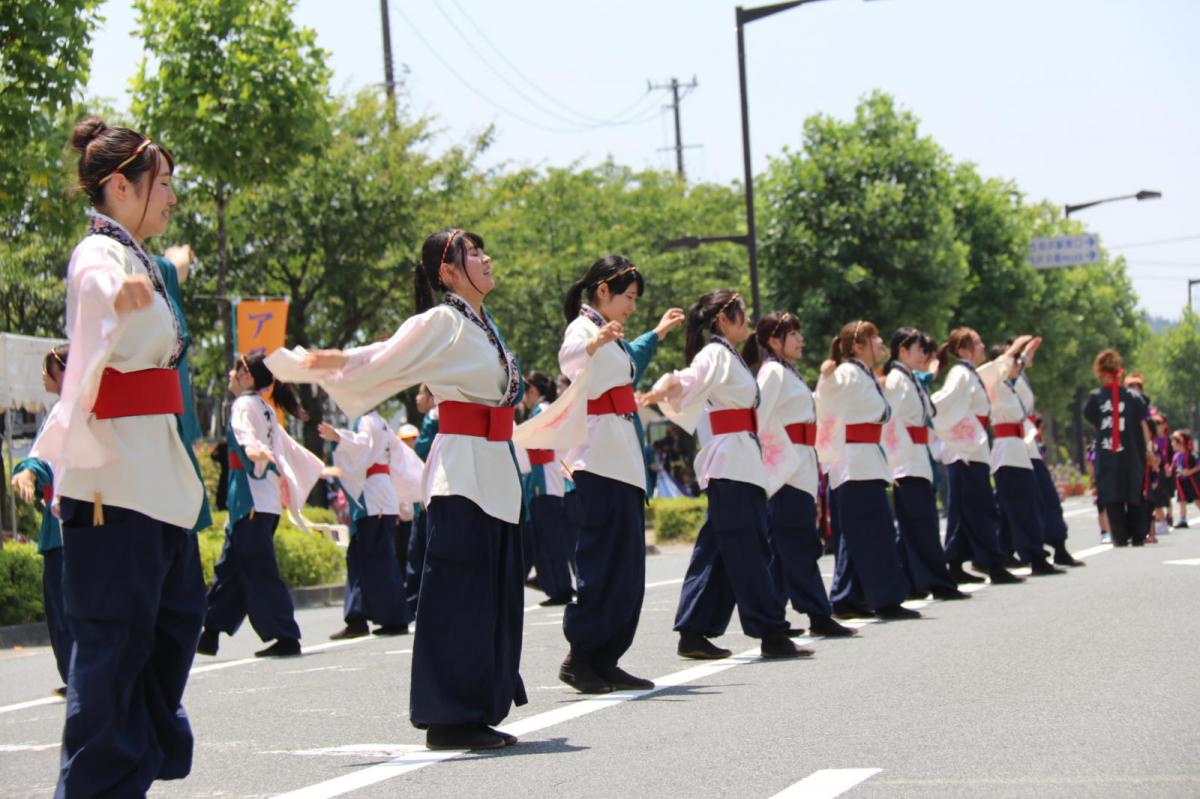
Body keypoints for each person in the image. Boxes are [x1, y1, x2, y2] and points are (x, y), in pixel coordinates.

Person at [268, 228, 527, 751]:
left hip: (494, 467)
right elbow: (384, 355)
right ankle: (450, 715)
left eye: (483, 250)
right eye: (473, 254)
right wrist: (323, 362)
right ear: (447, 272)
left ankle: (477, 705)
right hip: (463, 473)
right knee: (459, 594)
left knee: (490, 593)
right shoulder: (443, 320)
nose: (486, 258)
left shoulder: (482, 324)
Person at [31, 116, 207, 796]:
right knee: (112, 651)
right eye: (161, 184)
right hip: (112, 484)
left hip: (157, 481)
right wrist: (122, 292)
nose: (172, 196)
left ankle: (124, 776)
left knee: (172, 626)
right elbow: (96, 289)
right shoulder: (98, 253)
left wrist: (156, 278)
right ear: (120, 187)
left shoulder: (142, 261)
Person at [519, 255, 685, 693]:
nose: (632, 306)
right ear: (603, 290)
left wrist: (658, 333)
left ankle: (607, 658)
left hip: (621, 459)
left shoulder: (613, 335)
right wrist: (594, 344)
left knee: (627, 569)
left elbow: (633, 359)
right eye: (628, 297)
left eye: (636, 299)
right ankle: (581, 657)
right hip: (596, 462)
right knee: (603, 564)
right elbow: (569, 359)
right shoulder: (583, 329)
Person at [642, 289, 808, 660]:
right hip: (731, 464)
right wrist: (666, 386)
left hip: (739, 461)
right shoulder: (715, 353)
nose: (747, 318)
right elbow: (689, 379)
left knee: (718, 551)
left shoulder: (728, 354)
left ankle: (694, 630)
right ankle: (771, 632)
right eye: (741, 312)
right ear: (722, 319)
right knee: (748, 551)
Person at [197, 354, 324, 658]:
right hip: (258, 502)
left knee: (258, 571)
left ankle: (285, 635)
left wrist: (254, 450)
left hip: (252, 500)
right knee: (232, 568)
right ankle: (210, 632)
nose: (230, 374)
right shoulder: (265, 408)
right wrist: (316, 467)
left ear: (248, 377)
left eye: (236, 369)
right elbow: (287, 448)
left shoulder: (244, 404)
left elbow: (246, 435)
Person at [742, 311, 858, 637]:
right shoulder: (773, 372)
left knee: (784, 547)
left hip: (800, 462)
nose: (800, 339)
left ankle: (775, 615)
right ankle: (818, 614)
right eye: (792, 334)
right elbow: (758, 420)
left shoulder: (786, 371)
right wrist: (775, 462)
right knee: (799, 542)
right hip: (787, 467)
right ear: (774, 340)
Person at [814, 321, 921, 621]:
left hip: (864, 460)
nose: (880, 342)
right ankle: (885, 599)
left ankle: (847, 596)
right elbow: (826, 401)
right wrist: (826, 378)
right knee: (874, 533)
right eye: (873, 339)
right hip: (855, 463)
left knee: (859, 533)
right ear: (857, 346)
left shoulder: (863, 373)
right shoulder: (849, 373)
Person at [320, 405, 422, 639]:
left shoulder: (367, 420)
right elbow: (401, 458)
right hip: (381, 494)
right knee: (364, 558)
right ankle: (360, 615)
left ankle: (386, 617)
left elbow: (361, 445)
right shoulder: (381, 422)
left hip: (373, 496)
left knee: (374, 560)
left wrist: (339, 437)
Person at [881, 328, 969, 601]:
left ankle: (911, 582)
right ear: (903, 350)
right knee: (922, 525)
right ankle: (937, 581)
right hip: (906, 461)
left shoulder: (909, 378)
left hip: (918, 457)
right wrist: (892, 462)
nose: (922, 354)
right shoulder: (896, 380)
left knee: (916, 525)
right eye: (918, 349)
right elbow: (888, 423)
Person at [931, 328, 1023, 585]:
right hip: (966, 451)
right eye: (977, 343)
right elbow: (944, 401)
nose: (982, 346)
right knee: (980, 508)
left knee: (964, 510)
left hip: (970, 448)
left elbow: (996, 370)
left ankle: (956, 561)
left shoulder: (969, 373)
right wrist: (927, 407)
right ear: (963, 350)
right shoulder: (960, 374)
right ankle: (992, 563)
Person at [10, 345, 73, 696]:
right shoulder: (85, 406)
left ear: (64, 371)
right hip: (92, 518)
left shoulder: (65, 410)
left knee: (63, 605)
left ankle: (80, 674)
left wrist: (28, 473)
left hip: (67, 523)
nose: (43, 376)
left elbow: (41, 459)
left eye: (48, 369)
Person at [979, 337, 1065, 575]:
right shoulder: (994, 383)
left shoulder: (1009, 386)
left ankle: (1020, 551)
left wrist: (1023, 356)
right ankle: (1032, 555)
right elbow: (999, 368)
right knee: (1022, 508)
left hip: (1019, 448)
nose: (1018, 364)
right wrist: (1016, 348)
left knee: (1028, 504)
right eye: (1014, 361)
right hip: (1007, 450)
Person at [1011, 338, 1084, 566]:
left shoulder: (1019, 377)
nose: (1028, 358)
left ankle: (1057, 545)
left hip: (1027, 443)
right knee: (1023, 502)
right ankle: (1012, 551)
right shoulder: (1005, 379)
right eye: (1023, 355)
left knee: (1045, 497)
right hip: (1015, 446)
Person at [1082, 348, 1150, 547]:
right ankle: (1138, 534)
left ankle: (1119, 536)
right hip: (1132, 454)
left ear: (1101, 373)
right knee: (1134, 492)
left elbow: (1093, 419)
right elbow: (1142, 419)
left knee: (1112, 495)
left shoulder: (1095, 398)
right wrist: (1148, 450)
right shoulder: (1134, 397)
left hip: (1108, 455)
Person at [518, 370, 574, 607]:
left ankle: (560, 587)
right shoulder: (541, 410)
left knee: (550, 539)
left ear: (532, 390)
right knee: (544, 538)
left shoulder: (541, 410)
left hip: (546, 480)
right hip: (542, 480)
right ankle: (555, 585)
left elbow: (543, 447)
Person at [405, 384, 439, 613]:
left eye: (420, 393)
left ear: (430, 396)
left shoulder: (433, 418)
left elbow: (421, 451)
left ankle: (415, 602)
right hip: (441, 489)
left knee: (419, 551)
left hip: (430, 490)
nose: (417, 398)